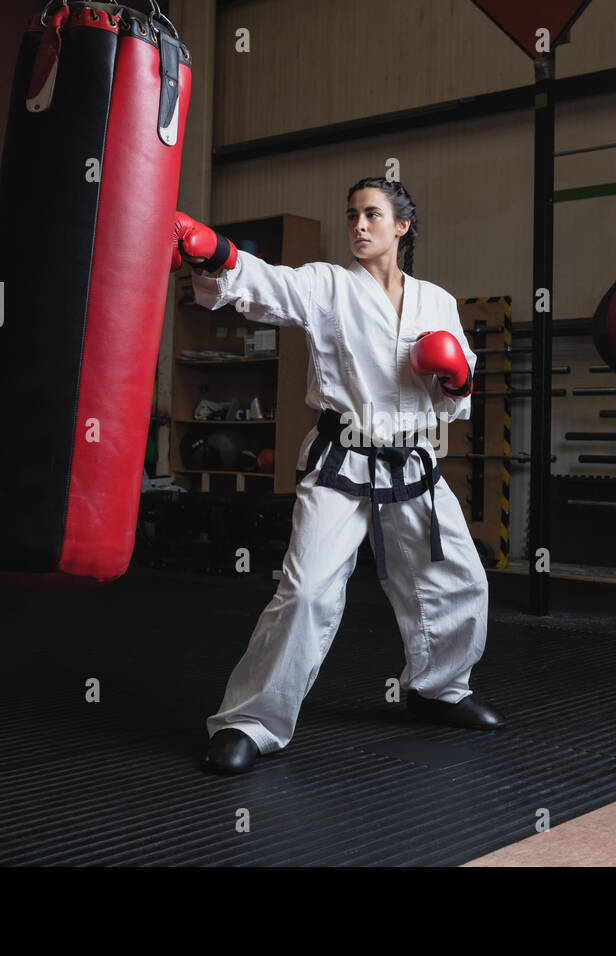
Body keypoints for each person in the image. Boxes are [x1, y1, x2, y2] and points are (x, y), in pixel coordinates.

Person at [173, 177, 505, 774]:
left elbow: (456, 401)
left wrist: (457, 379)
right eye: (352, 215)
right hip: (342, 459)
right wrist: (218, 254)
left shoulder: (437, 301)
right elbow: (270, 285)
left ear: (401, 227)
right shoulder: (327, 285)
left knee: (460, 581)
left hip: (412, 460)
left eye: (372, 215)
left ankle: (438, 690)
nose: (358, 226)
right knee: (305, 593)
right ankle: (250, 720)